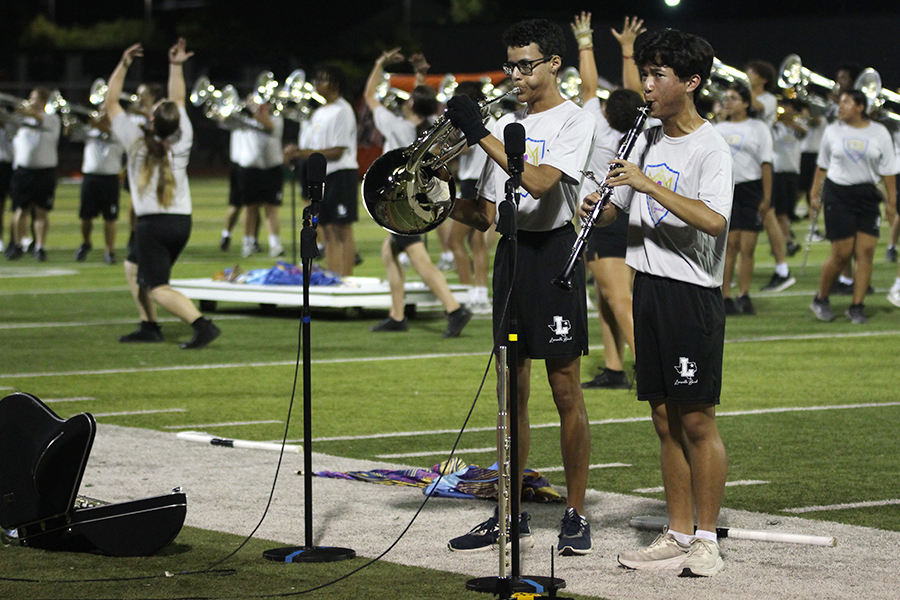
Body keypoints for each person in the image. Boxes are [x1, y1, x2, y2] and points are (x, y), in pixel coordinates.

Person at [582, 27, 733, 577]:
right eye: (644, 74)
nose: (646, 86)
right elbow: (619, 208)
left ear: (690, 82)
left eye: (658, 76)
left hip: (690, 294)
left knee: (697, 421)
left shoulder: (710, 145)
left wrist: (649, 186)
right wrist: (597, 207)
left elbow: (714, 220)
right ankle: (676, 530)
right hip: (645, 284)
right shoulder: (642, 137)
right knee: (664, 419)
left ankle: (707, 540)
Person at [444, 18, 596, 555]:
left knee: (565, 390)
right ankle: (510, 512)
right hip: (510, 255)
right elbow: (485, 215)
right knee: (512, 395)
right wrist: (427, 203)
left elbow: (538, 182)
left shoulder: (574, 122)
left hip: (553, 255)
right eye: (511, 66)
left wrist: (477, 132)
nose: (517, 75)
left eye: (526, 65)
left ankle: (575, 511)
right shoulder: (506, 122)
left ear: (555, 64)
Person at [107, 38, 221, 349]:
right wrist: (176, 65)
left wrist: (124, 63)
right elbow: (179, 98)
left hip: (153, 225)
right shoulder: (181, 140)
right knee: (133, 267)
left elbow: (110, 102)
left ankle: (202, 325)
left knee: (157, 286)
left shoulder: (136, 140)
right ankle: (149, 325)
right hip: (180, 222)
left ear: (153, 120)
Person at [362, 48, 472, 337]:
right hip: (415, 198)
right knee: (390, 254)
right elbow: (423, 101)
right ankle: (397, 315)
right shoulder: (427, 130)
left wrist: (378, 64)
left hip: (400, 201)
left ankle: (454, 308)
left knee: (420, 260)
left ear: (411, 104)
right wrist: (420, 77)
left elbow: (370, 96)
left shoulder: (397, 126)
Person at [573, 11, 644, 390]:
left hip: (606, 217)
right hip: (632, 217)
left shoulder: (597, 127)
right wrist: (628, 51)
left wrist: (585, 42)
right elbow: (633, 93)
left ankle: (648, 368)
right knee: (605, 296)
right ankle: (615, 369)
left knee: (618, 299)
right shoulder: (642, 129)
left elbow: (587, 87)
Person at [808, 89, 897, 324]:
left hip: (867, 194)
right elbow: (822, 166)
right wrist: (814, 194)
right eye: (840, 102)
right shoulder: (832, 131)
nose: (840, 106)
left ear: (860, 107)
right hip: (839, 194)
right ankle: (821, 298)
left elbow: (888, 171)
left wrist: (891, 203)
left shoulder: (879, 133)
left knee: (866, 252)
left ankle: (857, 305)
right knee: (841, 253)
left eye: (846, 102)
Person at [284, 65, 359, 277]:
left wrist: (303, 153)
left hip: (340, 173)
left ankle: (346, 279)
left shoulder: (343, 110)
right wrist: (295, 150)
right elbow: (308, 147)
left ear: (335, 83)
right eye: (316, 79)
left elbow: (337, 151)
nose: (316, 84)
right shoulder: (318, 113)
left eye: (322, 80)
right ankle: (332, 277)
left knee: (342, 228)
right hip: (321, 176)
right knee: (326, 230)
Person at [714, 82, 773, 316]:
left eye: (734, 98)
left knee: (748, 247)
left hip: (751, 189)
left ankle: (744, 294)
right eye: (726, 98)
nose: (728, 102)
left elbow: (766, 163)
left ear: (746, 103)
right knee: (730, 246)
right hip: (727, 189)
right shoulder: (717, 129)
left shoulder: (758, 128)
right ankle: (725, 295)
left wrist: (767, 197)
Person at [745, 59, 794, 293]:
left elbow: (755, 106)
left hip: (762, 165)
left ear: (763, 79)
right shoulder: (745, 96)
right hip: (743, 166)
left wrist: (740, 89)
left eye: (752, 72)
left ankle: (783, 270)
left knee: (769, 216)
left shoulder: (769, 99)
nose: (748, 74)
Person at [446, 80, 494, 314]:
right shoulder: (492, 120)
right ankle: (479, 292)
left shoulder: (477, 121)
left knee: (455, 241)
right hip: (480, 181)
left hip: (472, 182)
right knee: (477, 242)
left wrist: (440, 146)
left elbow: (462, 148)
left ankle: (469, 292)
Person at [223, 94, 285, 259]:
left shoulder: (276, 119)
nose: (262, 107)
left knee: (271, 208)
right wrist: (233, 108)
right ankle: (248, 243)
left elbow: (269, 126)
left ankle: (275, 244)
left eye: (264, 104)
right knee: (250, 207)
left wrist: (253, 112)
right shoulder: (245, 120)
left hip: (272, 168)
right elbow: (224, 120)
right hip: (251, 169)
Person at [5, 87, 61, 261]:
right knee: (20, 210)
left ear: (44, 102)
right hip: (23, 171)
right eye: (30, 98)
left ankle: (39, 246)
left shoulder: (52, 119)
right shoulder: (20, 119)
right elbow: (7, 127)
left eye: (34, 98)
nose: (31, 101)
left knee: (41, 211)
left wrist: (23, 111)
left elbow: (37, 117)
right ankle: (18, 244)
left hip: (44, 171)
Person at [69, 110, 124, 264]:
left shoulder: (119, 130)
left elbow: (110, 133)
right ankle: (86, 242)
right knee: (85, 216)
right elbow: (70, 134)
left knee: (110, 218)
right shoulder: (90, 129)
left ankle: (109, 250)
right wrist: (69, 120)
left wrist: (93, 123)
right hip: (90, 177)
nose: (102, 114)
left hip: (110, 178)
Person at [768, 96, 808, 263]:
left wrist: (789, 122)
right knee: (780, 212)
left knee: (786, 212)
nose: (785, 110)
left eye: (788, 107)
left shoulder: (797, 126)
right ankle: (788, 241)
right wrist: (779, 121)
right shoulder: (774, 127)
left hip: (793, 172)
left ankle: (781, 238)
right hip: (777, 172)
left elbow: (805, 131)